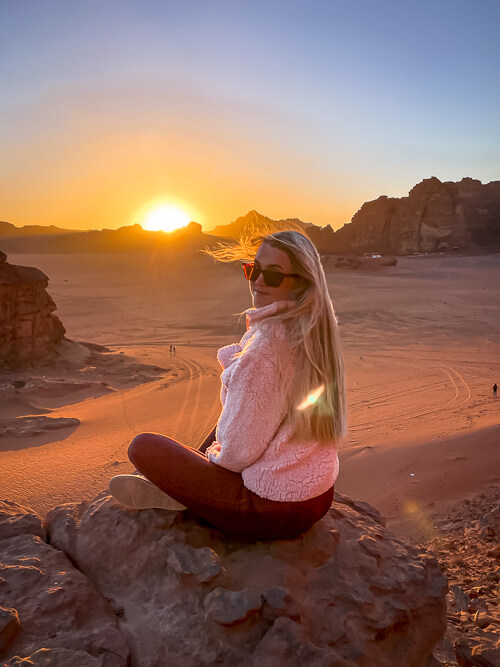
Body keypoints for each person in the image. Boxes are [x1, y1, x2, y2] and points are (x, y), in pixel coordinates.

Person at [109, 230, 346, 540]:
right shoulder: (315, 334)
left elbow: (238, 454)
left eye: (272, 275)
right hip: (316, 498)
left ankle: (186, 499)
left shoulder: (266, 349)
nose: (258, 280)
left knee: (143, 446)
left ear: (301, 283)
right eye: (253, 269)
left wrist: (206, 466)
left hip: (268, 511)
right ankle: (189, 494)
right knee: (220, 426)